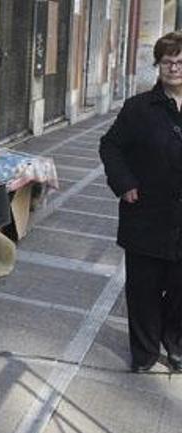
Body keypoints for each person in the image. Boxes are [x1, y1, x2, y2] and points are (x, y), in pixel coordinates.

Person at [100, 31, 182, 373]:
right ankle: (145, 352)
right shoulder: (138, 108)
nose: (174, 67)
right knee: (143, 290)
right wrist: (125, 183)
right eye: (167, 61)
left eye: (180, 61)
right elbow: (111, 146)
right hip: (146, 214)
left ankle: (175, 343)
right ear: (158, 66)